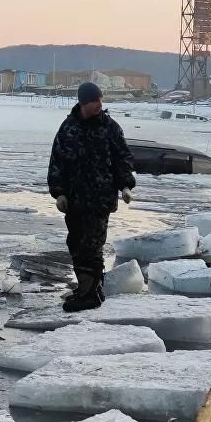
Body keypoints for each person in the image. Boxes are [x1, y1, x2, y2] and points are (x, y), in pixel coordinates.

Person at [48, 82, 136, 312]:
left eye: (100, 100)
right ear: (83, 102)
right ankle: (89, 288)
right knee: (76, 244)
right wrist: (59, 192)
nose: (99, 105)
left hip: (100, 199)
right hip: (75, 200)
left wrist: (126, 185)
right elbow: (58, 161)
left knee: (92, 245)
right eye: (94, 101)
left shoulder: (110, 128)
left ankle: (90, 294)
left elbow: (122, 158)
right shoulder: (68, 128)